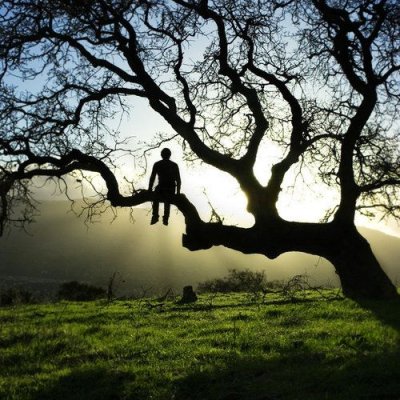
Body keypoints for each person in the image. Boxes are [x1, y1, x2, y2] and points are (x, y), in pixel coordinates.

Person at [148, 148, 181, 225]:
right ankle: (162, 217)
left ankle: (158, 216)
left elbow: (152, 178)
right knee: (164, 198)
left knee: (164, 197)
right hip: (167, 187)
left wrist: (149, 189)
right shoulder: (173, 165)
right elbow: (178, 180)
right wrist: (178, 193)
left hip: (168, 187)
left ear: (161, 155)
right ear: (170, 155)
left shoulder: (158, 164)